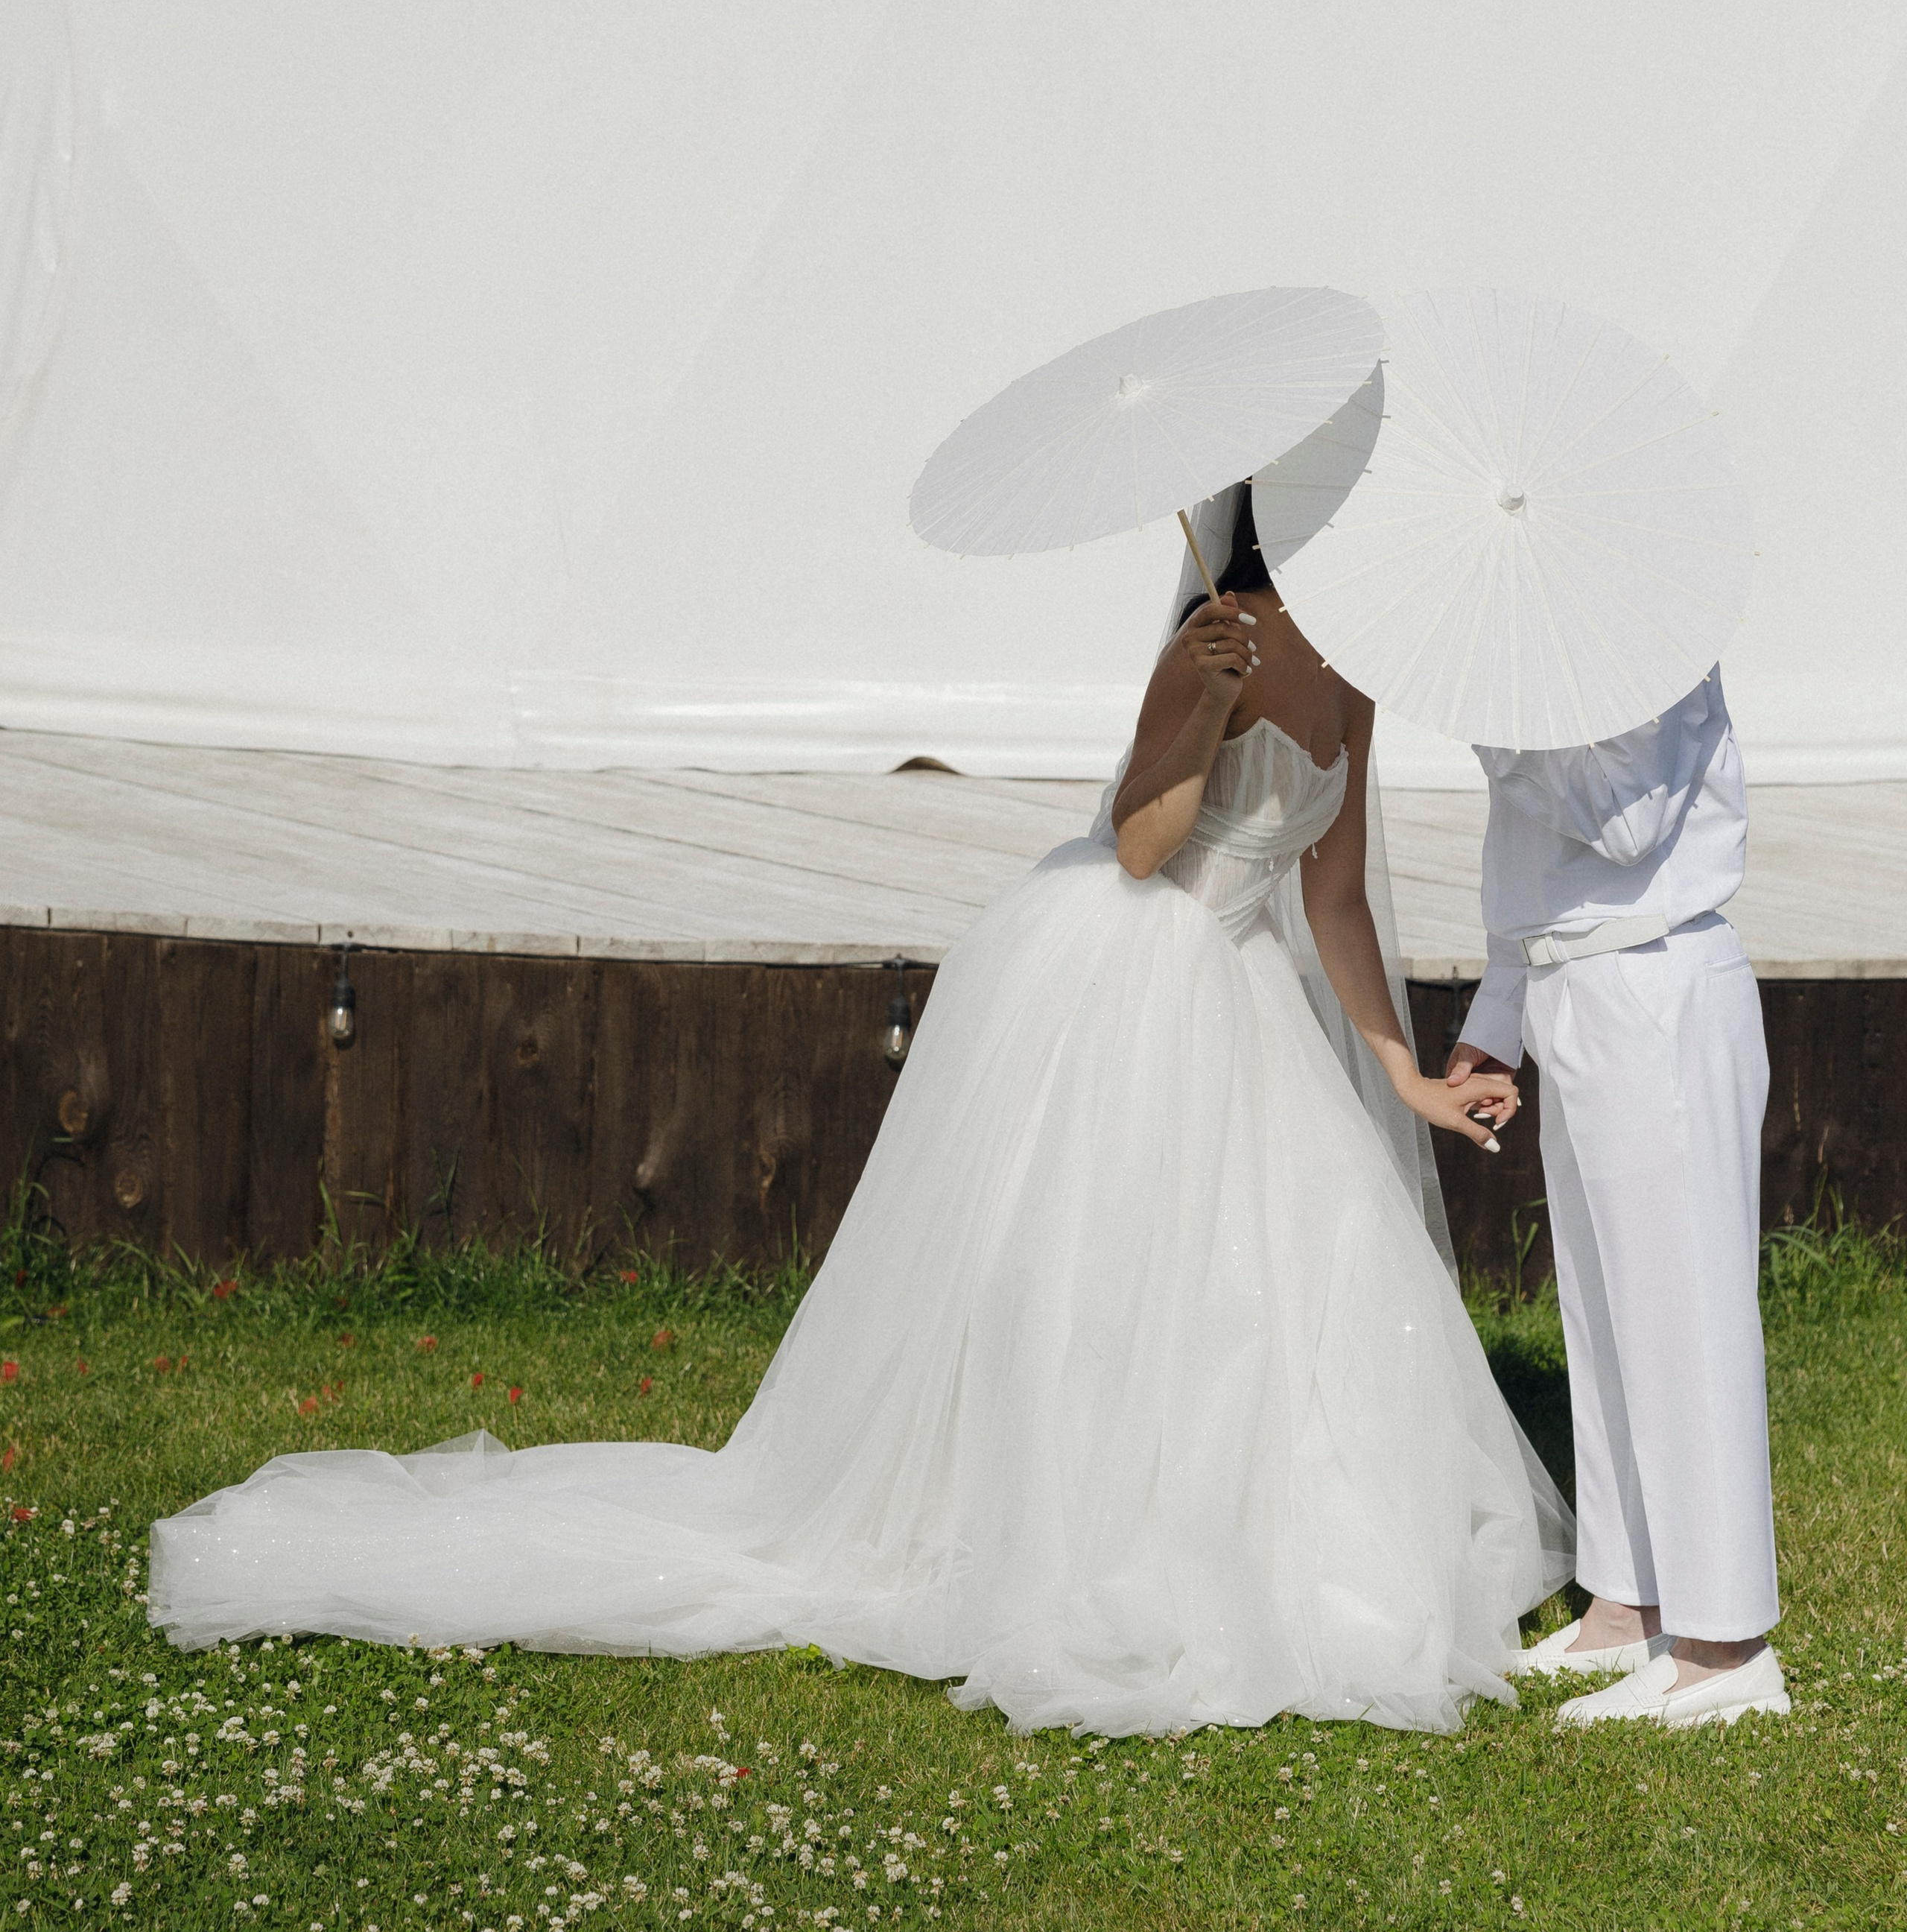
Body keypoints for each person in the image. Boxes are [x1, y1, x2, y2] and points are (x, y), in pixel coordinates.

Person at [150, 487, 1571, 1737]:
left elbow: (1328, 890)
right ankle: (1068, 1536)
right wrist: (1200, 699)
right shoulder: (1215, 638)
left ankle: (1260, 1537)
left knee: (1269, 1288)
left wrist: (1397, 1073)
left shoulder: (1360, 675)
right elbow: (1142, 849)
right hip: (1131, 976)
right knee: (1106, 1275)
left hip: (1247, 984)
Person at [1444, 668, 1788, 1729]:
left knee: (1685, 1322)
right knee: (1603, 1321)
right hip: (1572, 988)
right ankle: (1627, 1602)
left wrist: (1508, 727)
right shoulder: (1538, 655)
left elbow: (1627, 822)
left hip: (1657, 982)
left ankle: (1726, 1647)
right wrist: (1496, 1021)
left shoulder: (1646, 651)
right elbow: (1531, 862)